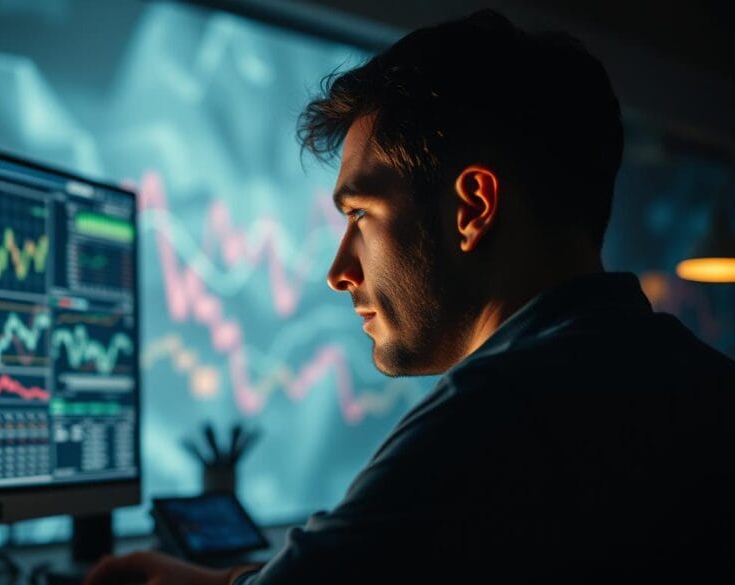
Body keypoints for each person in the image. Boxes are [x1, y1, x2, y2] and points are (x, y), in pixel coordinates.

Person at [84, 9, 735, 584]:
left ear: (471, 207)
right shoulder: (691, 381)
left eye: (361, 214)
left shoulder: (498, 414)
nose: (340, 270)